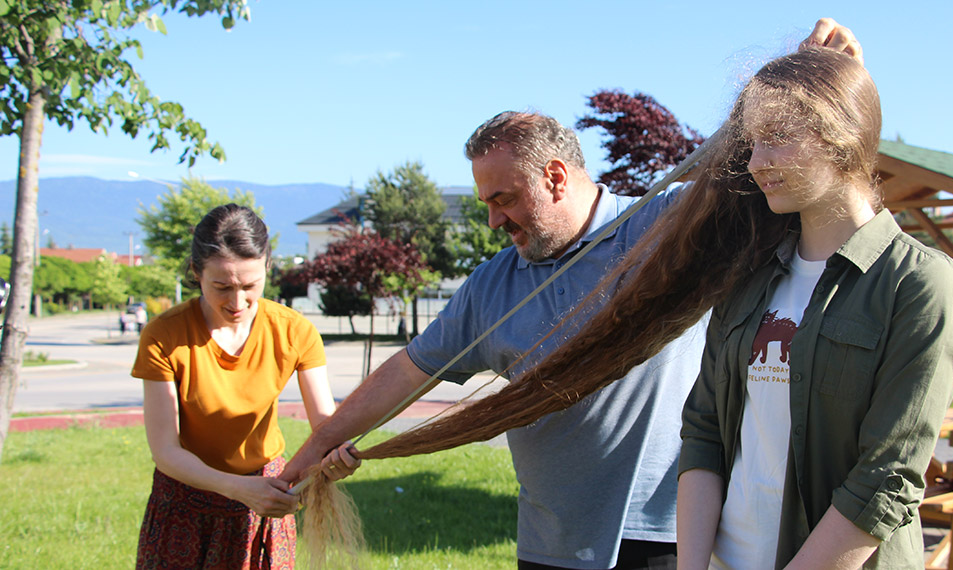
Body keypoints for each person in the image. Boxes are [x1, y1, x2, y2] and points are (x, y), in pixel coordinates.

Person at [284, 19, 864, 570]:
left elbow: (750, 166)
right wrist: (316, 451)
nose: (492, 221)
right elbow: (407, 372)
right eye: (486, 202)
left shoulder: (664, 226)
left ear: (556, 177)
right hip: (552, 543)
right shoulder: (492, 286)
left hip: (667, 533)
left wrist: (810, 79)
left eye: (504, 199)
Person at [671, 48, 953, 568]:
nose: (756, 161)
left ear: (842, 136)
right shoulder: (748, 279)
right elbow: (703, 432)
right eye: (754, 141)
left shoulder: (918, 283)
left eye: (778, 137)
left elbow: (887, 477)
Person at [132, 204, 356, 569]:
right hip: (185, 502)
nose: (237, 302)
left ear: (268, 266)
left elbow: (326, 425)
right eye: (221, 287)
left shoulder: (294, 330)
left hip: (267, 498)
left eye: (250, 286)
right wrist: (237, 489)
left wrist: (336, 453)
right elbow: (165, 451)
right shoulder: (164, 334)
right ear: (195, 273)